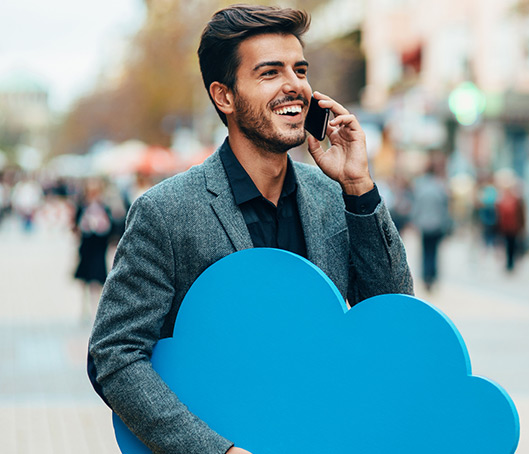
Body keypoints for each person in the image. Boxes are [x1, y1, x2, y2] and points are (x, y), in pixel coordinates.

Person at [87, 6, 413, 454]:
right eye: (269, 72)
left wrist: (359, 186)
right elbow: (114, 355)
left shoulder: (335, 195)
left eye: (300, 69)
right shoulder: (166, 212)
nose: (294, 84)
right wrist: (214, 450)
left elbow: (394, 317)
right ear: (224, 96)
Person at [73, 178, 113, 320]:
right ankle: (84, 309)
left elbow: (111, 227)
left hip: (98, 248)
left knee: (99, 280)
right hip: (87, 248)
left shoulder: (105, 207)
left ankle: (97, 309)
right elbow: (75, 226)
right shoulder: (82, 207)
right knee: (85, 280)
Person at [410, 159, 451, 292]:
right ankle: (432, 277)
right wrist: (446, 224)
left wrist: (414, 221)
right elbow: (445, 208)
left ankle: (426, 277)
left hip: (424, 225)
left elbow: (416, 207)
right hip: (437, 225)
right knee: (434, 252)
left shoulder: (420, 186)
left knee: (425, 252)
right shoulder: (440, 187)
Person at [495, 183, 525, 273]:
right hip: (512, 227)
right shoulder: (515, 200)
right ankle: (510, 263)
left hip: (507, 227)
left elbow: (498, 216)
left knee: (509, 246)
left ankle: (509, 263)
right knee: (511, 245)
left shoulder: (502, 201)